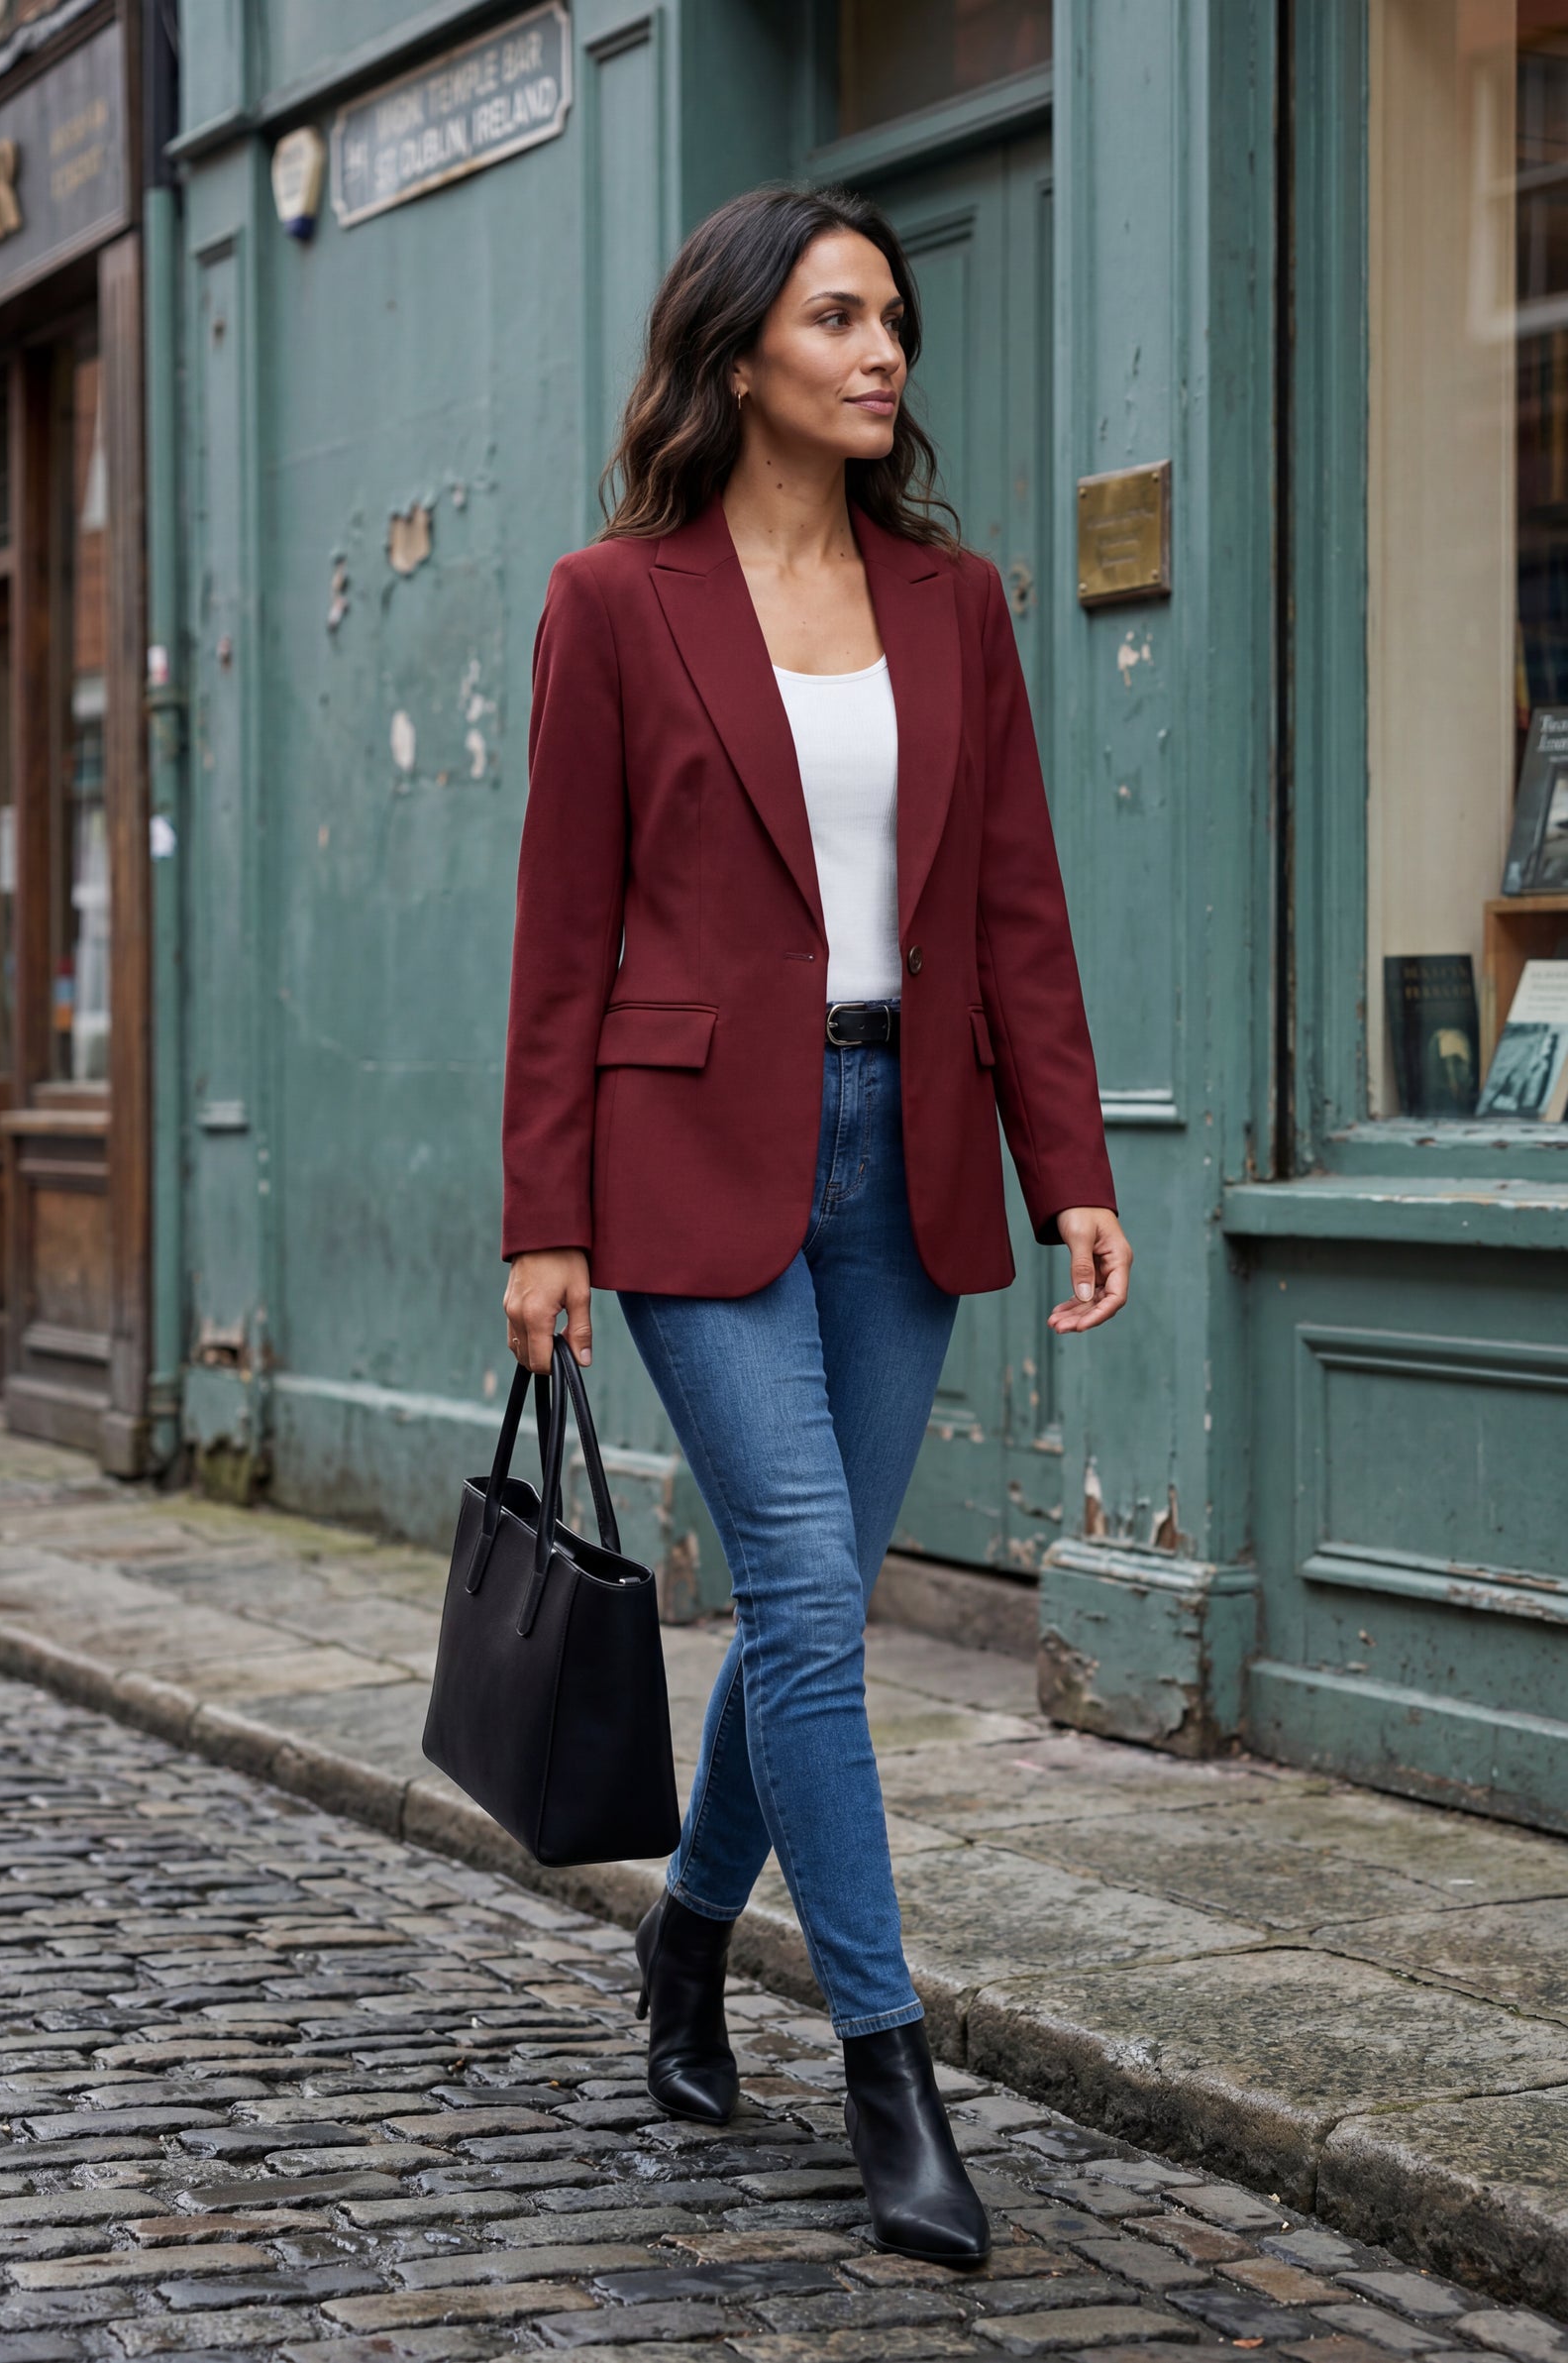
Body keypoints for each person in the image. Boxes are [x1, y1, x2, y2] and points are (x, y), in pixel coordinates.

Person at [498, 182, 1131, 2267]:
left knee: (803, 1616)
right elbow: (560, 936)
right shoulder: (613, 599)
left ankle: (684, 1940)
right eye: (841, 318)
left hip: (902, 1141)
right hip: (683, 1157)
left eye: (893, 325)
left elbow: (1015, 911)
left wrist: (1074, 1170)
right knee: (798, 1593)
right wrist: (543, 1221)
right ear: (741, 344)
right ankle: (886, 2064)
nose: (883, 356)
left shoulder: (953, 603)